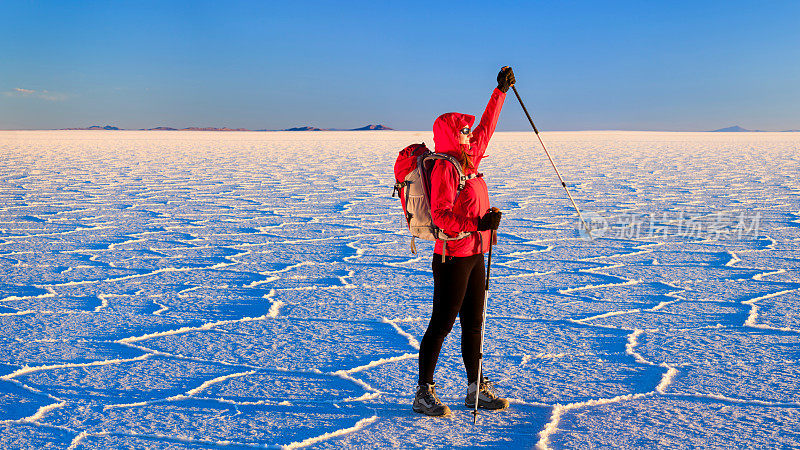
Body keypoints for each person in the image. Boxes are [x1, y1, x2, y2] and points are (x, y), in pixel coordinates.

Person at [412, 66, 515, 417]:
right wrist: (478, 223)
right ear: (453, 135)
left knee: (474, 323)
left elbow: (488, 127)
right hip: (452, 256)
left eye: (470, 132)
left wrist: (499, 92)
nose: (471, 135)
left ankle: (476, 388)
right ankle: (423, 392)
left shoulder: (469, 160)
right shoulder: (446, 167)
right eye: (464, 131)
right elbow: (441, 215)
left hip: (476, 253)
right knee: (441, 323)